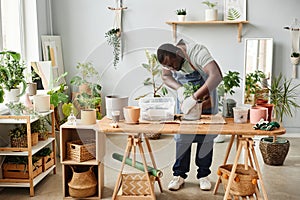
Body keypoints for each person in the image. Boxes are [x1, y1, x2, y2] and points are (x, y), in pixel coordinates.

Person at [157, 39, 223, 191]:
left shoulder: (198, 53)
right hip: (185, 100)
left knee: (205, 136)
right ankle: (179, 175)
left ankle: (203, 175)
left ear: (179, 54)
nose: (172, 69)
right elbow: (166, 77)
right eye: (168, 67)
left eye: (173, 65)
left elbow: (216, 75)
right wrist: (180, 89)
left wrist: (195, 98)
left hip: (206, 98)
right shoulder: (167, 57)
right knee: (183, 137)